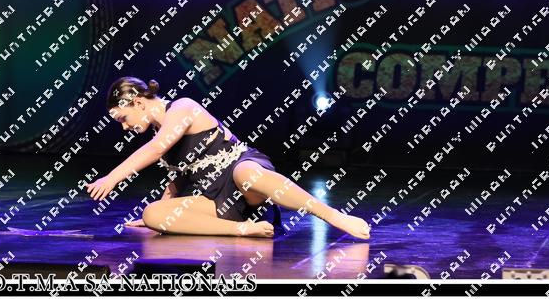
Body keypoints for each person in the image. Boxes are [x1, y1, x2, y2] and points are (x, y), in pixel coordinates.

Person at [86, 76, 371, 239]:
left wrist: (112, 178)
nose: (124, 127)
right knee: (152, 213)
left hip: (243, 177)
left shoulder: (183, 107)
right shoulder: (158, 130)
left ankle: (333, 216)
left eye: (123, 119)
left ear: (138, 102)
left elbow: (157, 149)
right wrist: (158, 214)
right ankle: (243, 229)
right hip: (215, 198)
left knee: (245, 174)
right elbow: (177, 177)